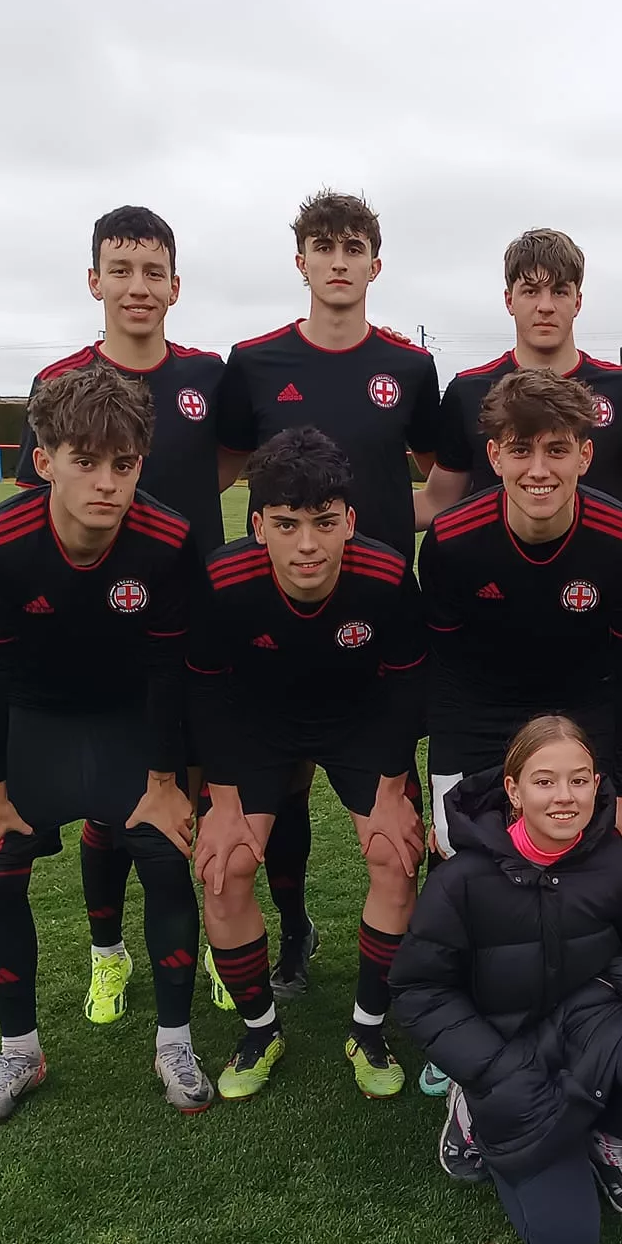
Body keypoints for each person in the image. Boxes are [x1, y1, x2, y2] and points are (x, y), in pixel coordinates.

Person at [0, 365, 209, 1130]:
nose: (107, 482)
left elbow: (171, 671)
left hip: (129, 722)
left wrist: (166, 780)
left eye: (123, 465)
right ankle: (19, 1053)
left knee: (166, 855)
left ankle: (175, 1043)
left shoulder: (168, 539)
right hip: (33, 724)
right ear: (45, 460)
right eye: (85, 461)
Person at [214, 190, 442, 1000]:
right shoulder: (254, 362)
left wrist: (377, 526)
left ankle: (416, 970)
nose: (339, 261)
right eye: (324, 246)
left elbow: (444, 480)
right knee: (285, 782)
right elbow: (225, 468)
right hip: (278, 604)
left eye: (354, 248)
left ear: (375, 265)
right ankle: (294, 931)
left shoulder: (409, 368)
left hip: (376, 612)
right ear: (301, 260)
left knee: (391, 790)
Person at [11, 205, 231, 1030]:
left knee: (201, 789)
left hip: (196, 620)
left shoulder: (211, 378)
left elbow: (232, 459)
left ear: (175, 285)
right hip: (97, 633)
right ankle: (108, 955)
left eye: (153, 272)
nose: (137, 287)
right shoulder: (58, 382)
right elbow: (38, 513)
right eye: (121, 270)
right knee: (107, 804)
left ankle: (218, 940)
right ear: (94, 279)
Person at [416, 369, 622, 1091]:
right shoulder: (456, 541)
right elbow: (447, 673)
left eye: (558, 449)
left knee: (585, 857)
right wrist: (446, 780)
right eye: (520, 450)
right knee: (461, 859)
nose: (539, 469)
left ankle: (580, 1016)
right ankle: (457, 1024)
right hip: (484, 710)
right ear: (493, 457)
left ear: (586, 455)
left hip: (581, 708)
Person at [389, 716, 622, 1244]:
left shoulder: (619, 865)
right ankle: (470, 1112)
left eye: (579, 781)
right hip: (503, 1054)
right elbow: (419, 988)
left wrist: (603, 991)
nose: (565, 797)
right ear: (513, 790)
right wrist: (491, 1068)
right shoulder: (461, 880)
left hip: (589, 1028)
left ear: (597, 784)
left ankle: (608, 1138)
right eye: (544, 781)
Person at [187, 427, 428, 1100]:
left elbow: (407, 684)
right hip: (258, 725)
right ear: (258, 525)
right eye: (287, 525)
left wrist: (389, 790)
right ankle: (260, 1030)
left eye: (324, 523)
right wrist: (226, 803)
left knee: (393, 852)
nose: (308, 545)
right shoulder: (222, 579)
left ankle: (368, 1028)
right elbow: (206, 688)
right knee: (225, 867)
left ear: (350, 520)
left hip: (359, 720)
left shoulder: (385, 575)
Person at [416, 228, 622, 514]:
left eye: (559, 292)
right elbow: (437, 501)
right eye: (531, 291)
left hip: (602, 557)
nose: (545, 306)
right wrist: (352, 517)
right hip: (496, 558)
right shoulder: (469, 391)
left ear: (577, 302)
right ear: (509, 301)